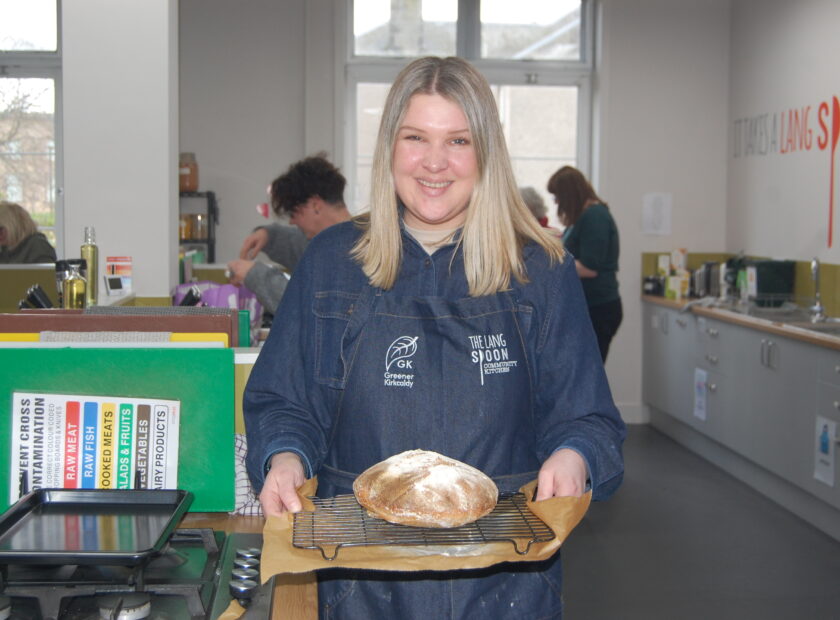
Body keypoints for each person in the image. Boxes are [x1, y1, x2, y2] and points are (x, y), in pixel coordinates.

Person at [244, 56, 625, 619]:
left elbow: (588, 417)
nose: (435, 162)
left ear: (485, 153)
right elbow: (285, 400)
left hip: (505, 583)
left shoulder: (541, 271)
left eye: (458, 141)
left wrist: (574, 455)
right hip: (362, 580)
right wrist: (283, 457)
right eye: (416, 137)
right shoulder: (331, 263)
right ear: (390, 147)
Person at [226, 153, 351, 312]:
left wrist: (254, 275)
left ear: (315, 205)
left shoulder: (352, 253)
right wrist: (268, 236)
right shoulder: (333, 240)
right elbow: (300, 245)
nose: (292, 221)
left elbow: (312, 309)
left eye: (293, 213)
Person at [548, 166, 622, 362]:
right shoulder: (583, 217)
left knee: (588, 370)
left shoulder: (594, 216)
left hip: (599, 307)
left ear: (569, 194)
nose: (556, 202)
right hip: (589, 306)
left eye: (557, 196)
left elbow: (589, 268)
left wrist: (550, 264)